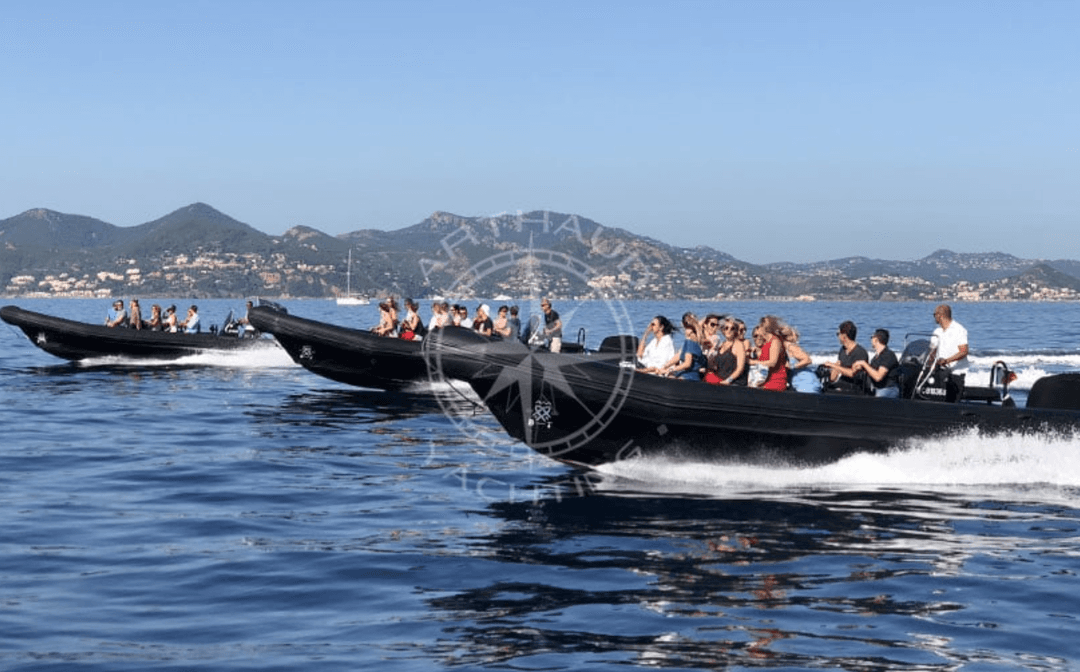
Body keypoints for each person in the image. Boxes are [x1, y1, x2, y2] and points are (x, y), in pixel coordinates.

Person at [822, 320, 869, 392]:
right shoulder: (843, 350)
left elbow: (852, 373)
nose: (838, 337)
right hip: (843, 383)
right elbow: (833, 378)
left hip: (855, 386)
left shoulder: (860, 352)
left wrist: (833, 366)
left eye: (838, 334)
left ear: (844, 335)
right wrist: (833, 368)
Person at [656, 313, 706, 380]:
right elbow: (680, 355)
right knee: (666, 374)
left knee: (668, 376)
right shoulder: (692, 340)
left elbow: (687, 364)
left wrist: (671, 369)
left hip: (689, 376)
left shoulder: (690, 342)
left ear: (682, 325)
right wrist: (665, 366)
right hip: (688, 374)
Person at [853, 328, 901, 397]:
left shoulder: (888, 355)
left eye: (872, 337)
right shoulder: (876, 357)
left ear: (876, 339)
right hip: (877, 388)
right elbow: (872, 372)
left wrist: (864, 364)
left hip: (888, 388)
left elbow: (878, 377)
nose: (871, 340)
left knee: (877, 399)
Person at [704, 316, 748, 386]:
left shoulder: (738, 345)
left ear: (736, 331)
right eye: (726, 328)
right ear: (723, 330)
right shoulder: (721, 345)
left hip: (733, 382)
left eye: (732, 328)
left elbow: (740, 368)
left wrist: (728, 380)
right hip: (720, 380)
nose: (729, 330)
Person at [752, 315, 790, 391]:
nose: (758, 328)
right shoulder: (765, 342)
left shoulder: (775, 341)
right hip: (765, 378)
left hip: (776, 380)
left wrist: (752, 362)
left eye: (760, 326)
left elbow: (772, 362)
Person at [930, 304, 970, 376]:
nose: (934, 317)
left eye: (934, 315)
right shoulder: (937, 332)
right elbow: (932, 351)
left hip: (957, 372)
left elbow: (964, 352)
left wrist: (947, 361)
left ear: (940, 315)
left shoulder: (958, 330)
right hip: (940, 370)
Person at [784, 326, 819, 393]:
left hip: (806, 383)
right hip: (797, 383)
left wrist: (791, 367)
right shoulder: (781, 349)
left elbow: (808, 360)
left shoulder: (790, 347)